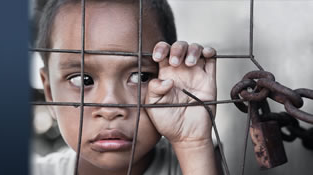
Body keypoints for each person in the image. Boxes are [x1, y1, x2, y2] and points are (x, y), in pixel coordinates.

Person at [33, 0, 219, 174]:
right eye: (82, 80)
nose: (110, 108)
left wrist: (192, 144)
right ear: (50, 94)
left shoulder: (198, 162)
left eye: (140, 77)